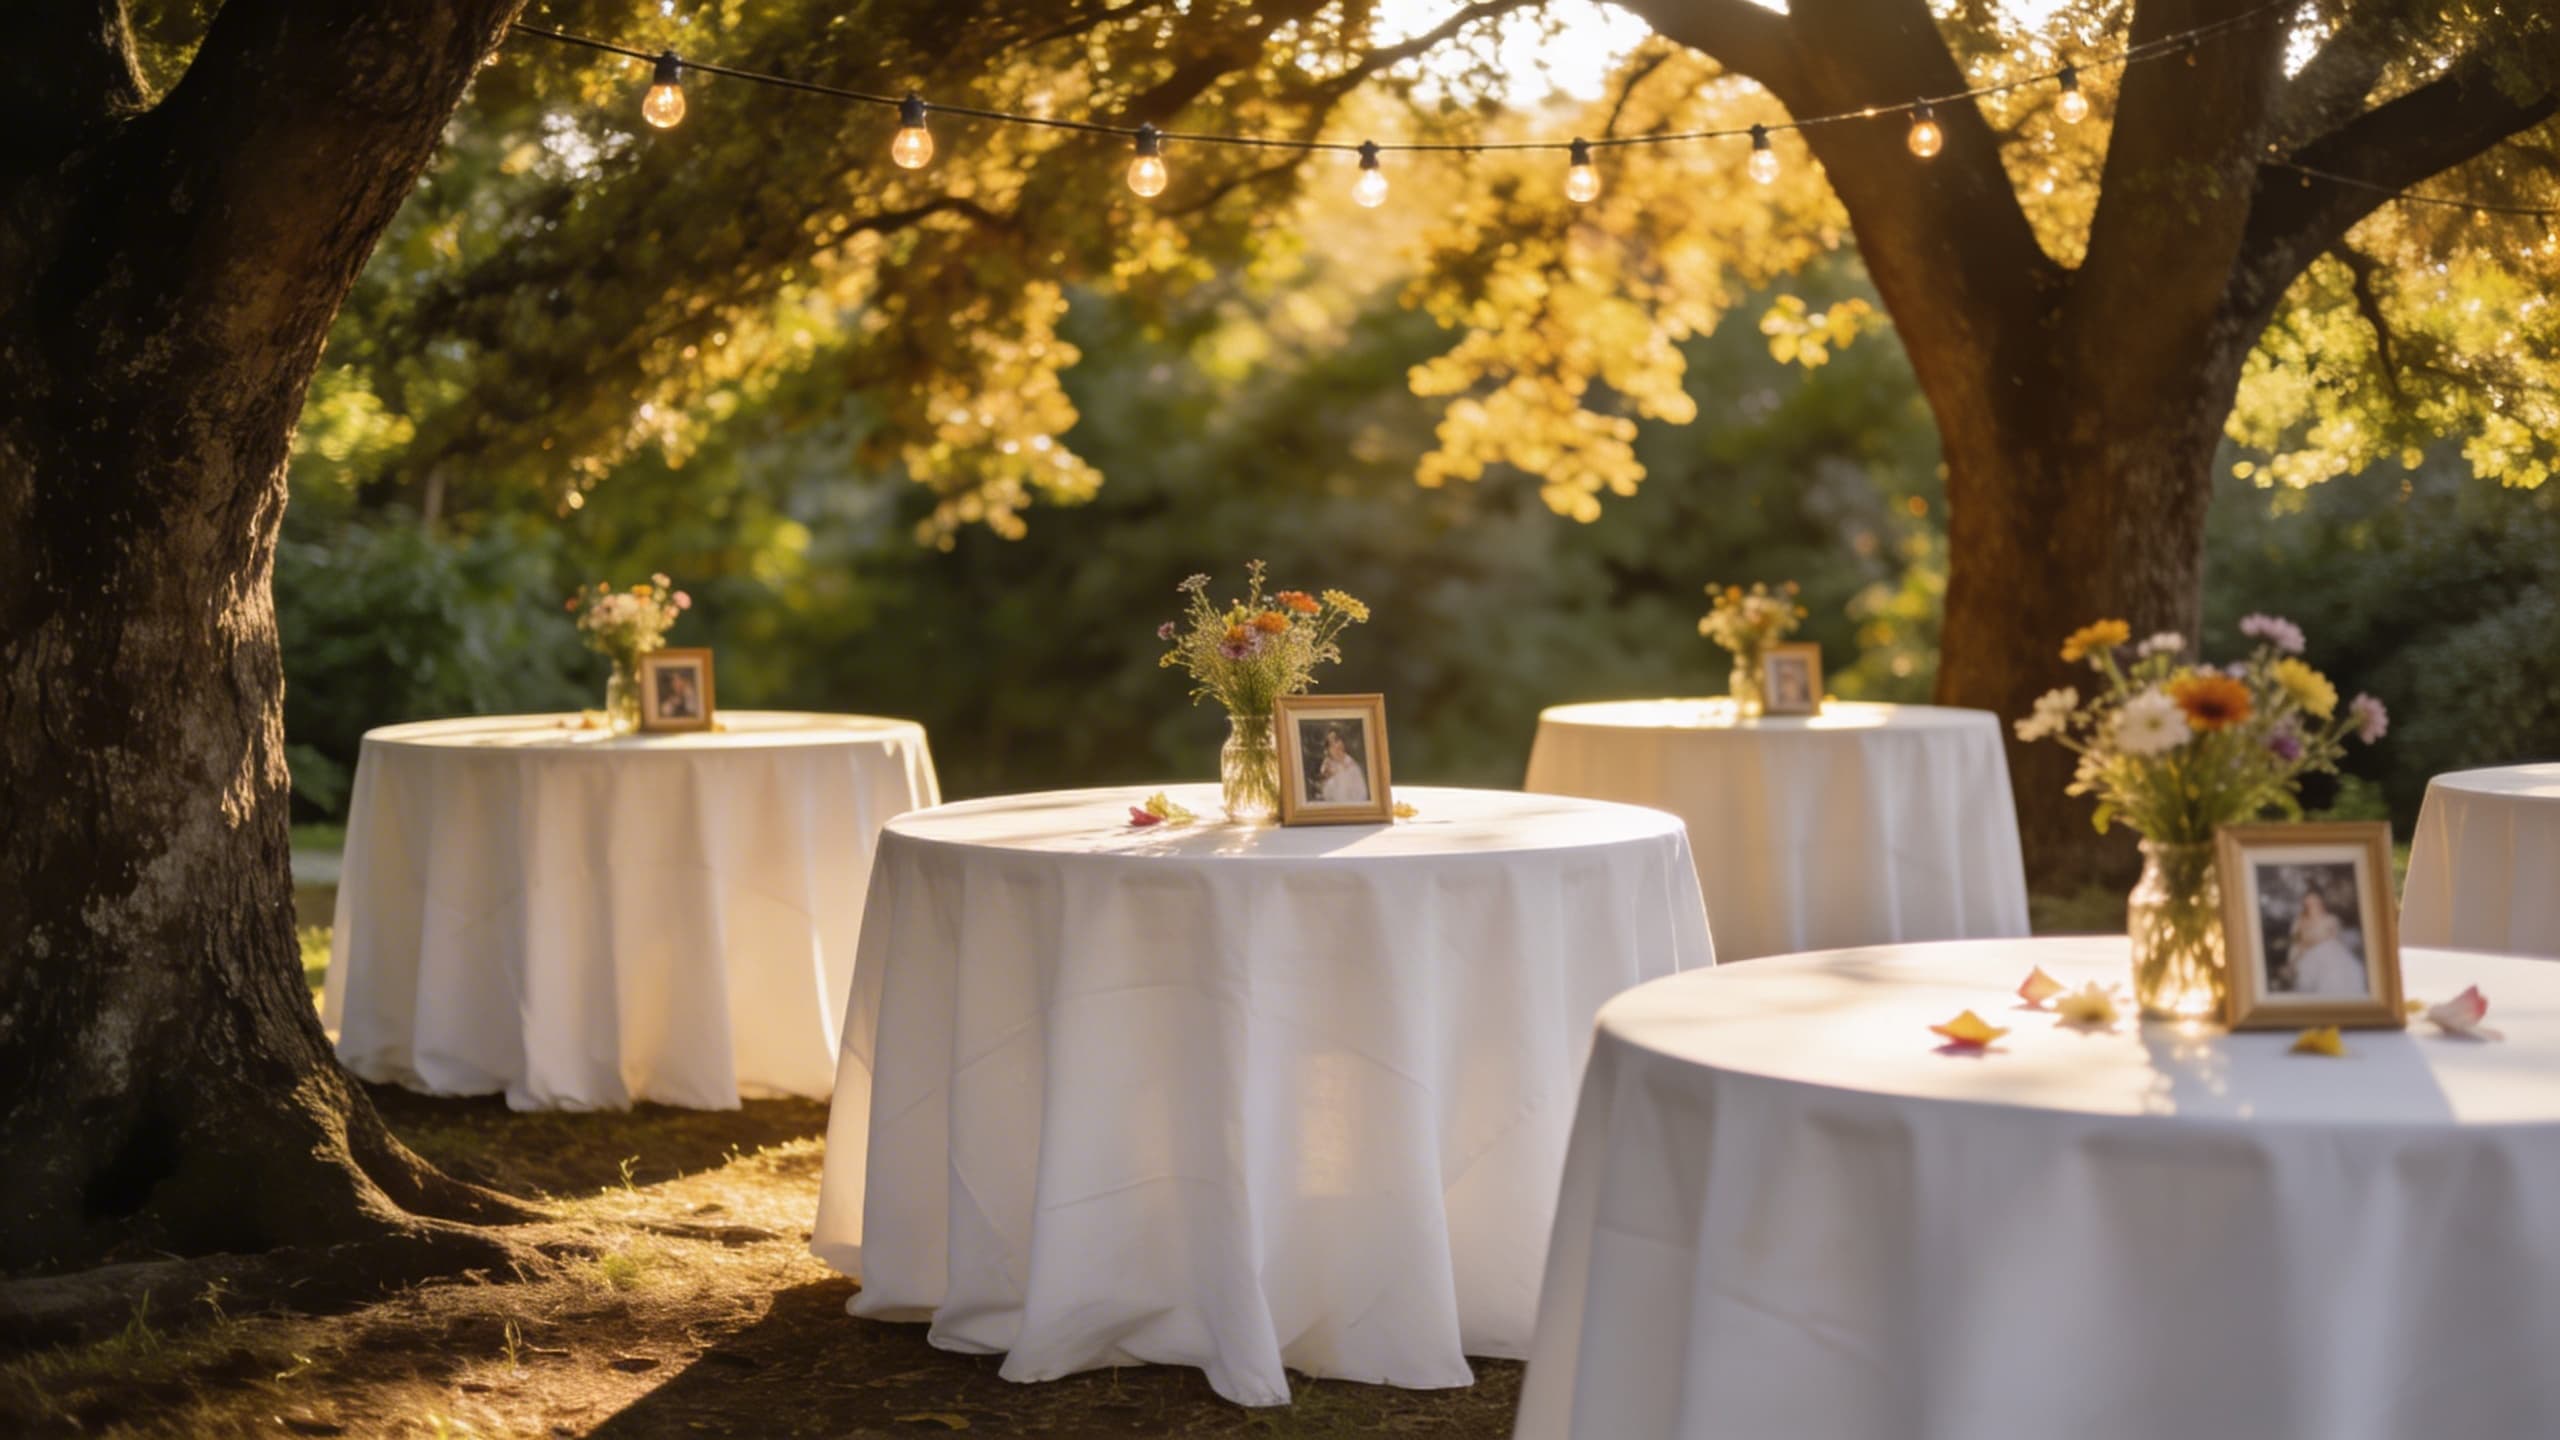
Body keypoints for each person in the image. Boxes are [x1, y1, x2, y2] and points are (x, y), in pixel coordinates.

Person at [2285, 887, 2365, 995]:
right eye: (2310, 904)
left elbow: (2337, 940)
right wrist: (2294, 959)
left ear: (2321, 903)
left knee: (2347, 968)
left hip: (2332, 952)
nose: (2313, 906)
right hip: (2309, 954)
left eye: (2316, 903)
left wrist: (2323, 940)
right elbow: (2296, 943)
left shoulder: (2331, 919)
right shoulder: (2299, 922)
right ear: (2305, 905)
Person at [1316, 727, 1368, 804]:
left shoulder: (1352, 766)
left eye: (1336, 741)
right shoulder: (1327, 767)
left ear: (1343, 743)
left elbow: (1362, 795)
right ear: (1328, 750)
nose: (1335, 746)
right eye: (1331, 745)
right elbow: (1324, 794)